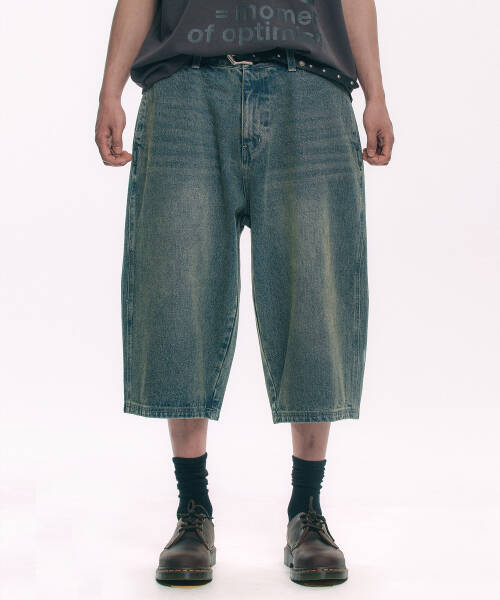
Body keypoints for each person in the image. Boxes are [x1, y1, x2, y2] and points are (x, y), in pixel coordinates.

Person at [95, 0, 394, 586]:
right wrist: (110, 90)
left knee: (314, 295)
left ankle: (307, 511)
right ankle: (192, 511)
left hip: (309, 84)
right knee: (178, 291)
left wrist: (376, 94)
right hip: (185, 86)